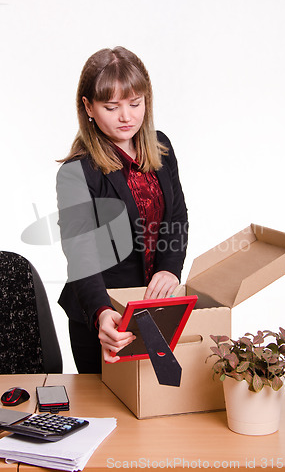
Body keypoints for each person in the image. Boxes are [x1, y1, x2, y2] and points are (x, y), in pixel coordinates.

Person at [56, 46, 188, 374]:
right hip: (105, 317)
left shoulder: (162, 149)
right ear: (88, 106)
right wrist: (102, 311)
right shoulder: (76, 172)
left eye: (135, 103)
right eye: (111, 106)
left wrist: (169, 269)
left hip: (153, 310)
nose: (126, 116)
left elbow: (177, 218)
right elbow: (81, 252)